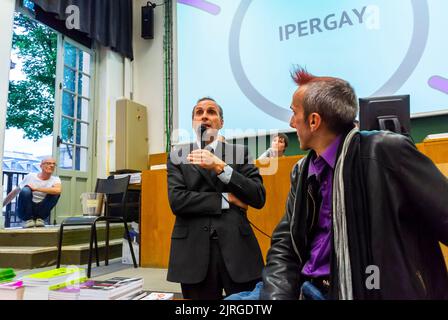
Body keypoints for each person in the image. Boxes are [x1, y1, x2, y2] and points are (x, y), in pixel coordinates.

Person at [260, 67, 448, 300]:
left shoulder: (386, 152)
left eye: (294, 113)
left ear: (314, 120)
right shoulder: (302, 171)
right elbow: (285, 245)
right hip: (308, 289)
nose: (291, 123)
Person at [166, 97, 266, 300]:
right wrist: (226, 198)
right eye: (199, 112)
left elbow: (257, 196)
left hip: (238, 249)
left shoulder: (240, 152)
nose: (205, 116)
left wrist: (220, 166)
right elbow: (178, 200)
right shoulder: (178, 155)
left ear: (221, 122)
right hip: (193, 251)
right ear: (193, 122)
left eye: (211, 112)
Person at [3, 157, 61, 228]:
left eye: (54, 164)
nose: (52, 165)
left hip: (41, 210)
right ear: (41, 166)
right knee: (25, 190)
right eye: (48, 163)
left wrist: (36, 188)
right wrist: (2, 205)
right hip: (26, 210)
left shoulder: (56, 179)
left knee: (55, 193)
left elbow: (58, 190)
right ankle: (28, 220)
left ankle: (40, 219)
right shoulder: (30, 176)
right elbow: (15, 192)